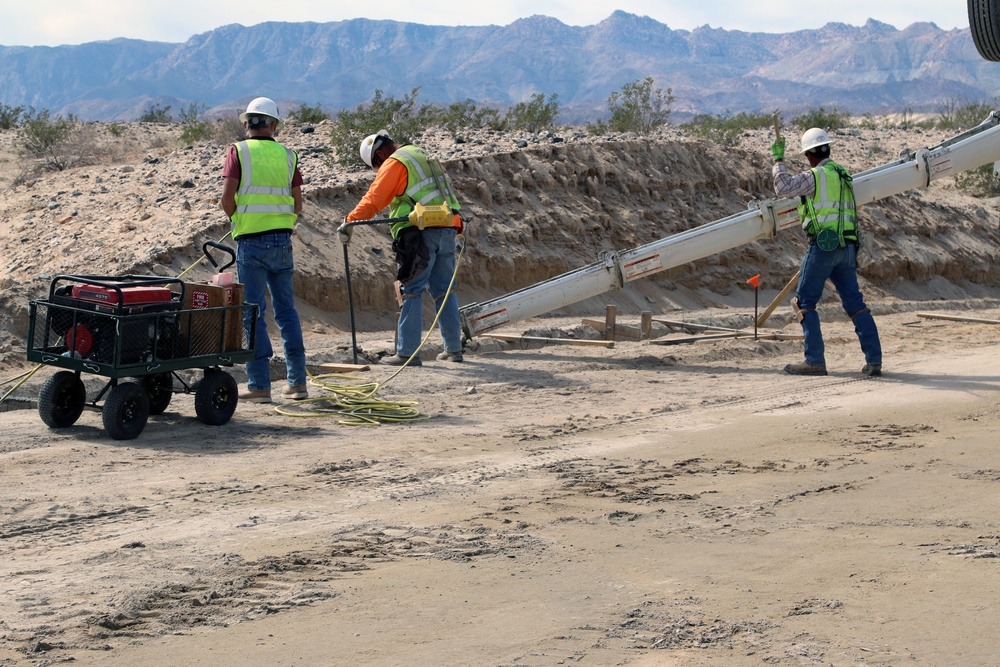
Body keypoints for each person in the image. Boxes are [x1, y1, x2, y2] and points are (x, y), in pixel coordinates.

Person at [345, 129, 465, 367]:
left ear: (380, 154)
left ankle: (407, 353)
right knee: (444, 290)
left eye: (377, 165)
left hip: (419, 232)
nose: (380, 169)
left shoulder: (396, 162)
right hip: (448, 226)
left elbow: (375, 198)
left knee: (411, 289)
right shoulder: (423, 154)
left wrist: (350, 221)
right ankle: (453, 349)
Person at [771, 127, 882, 377]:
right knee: (855, 303)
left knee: (804, 302)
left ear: (809, 155)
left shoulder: (815, 176)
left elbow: (783, 188)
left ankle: (814, 361)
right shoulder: (843, 176)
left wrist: (778, 161)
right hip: (848, 247)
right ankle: (874, 360)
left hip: (823, 246)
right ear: (828, 149)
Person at [220, 97, 308, 402]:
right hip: (282, 242)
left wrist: (238, 219)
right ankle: (297, 382)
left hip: (251, 243)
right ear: (274, 125)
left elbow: (226, 199)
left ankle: (259, 386)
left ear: (247, 124)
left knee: (253, 313)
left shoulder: (238, 151)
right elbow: (298, 204)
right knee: (287, 312)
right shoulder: (288, 156)